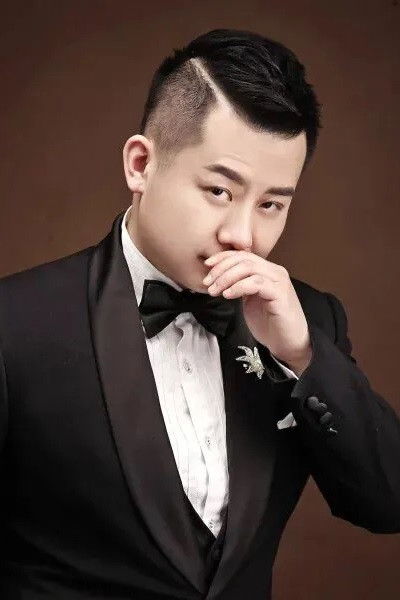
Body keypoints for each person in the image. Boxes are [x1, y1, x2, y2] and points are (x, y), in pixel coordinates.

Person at [0, 28, 399, 600]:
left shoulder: (310, 321)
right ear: (141, 164)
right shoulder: (14, 326)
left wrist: (303, 356)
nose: (243, 235)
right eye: (219, 191)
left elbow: (387, 504)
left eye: (271, 204)